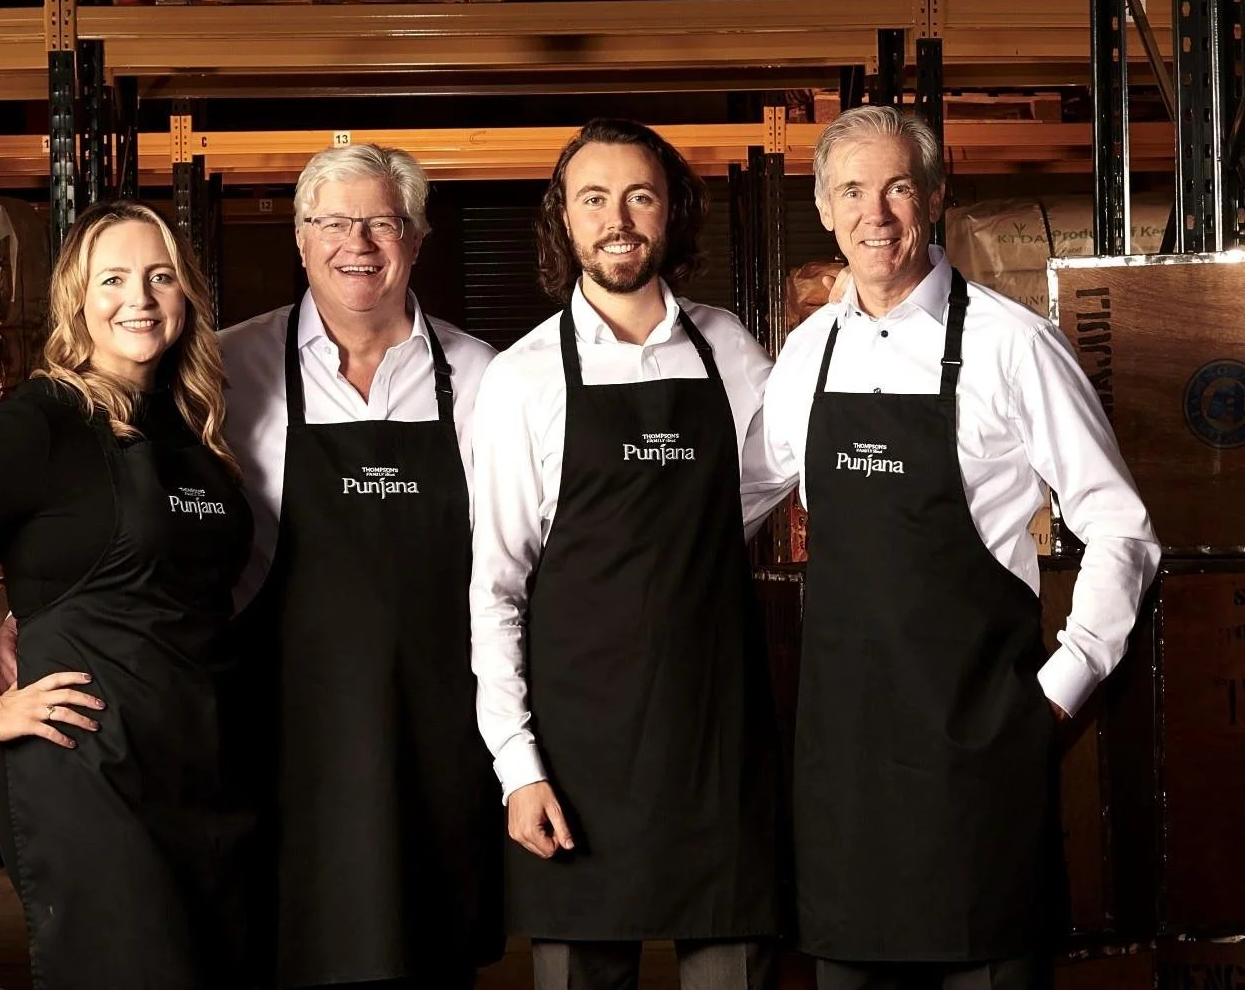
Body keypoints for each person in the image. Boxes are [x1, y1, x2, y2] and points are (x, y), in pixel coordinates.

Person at [761, 105, 1162, 990]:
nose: (877, 214)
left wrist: (1061, 691)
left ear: (935, 197)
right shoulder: (807, 354)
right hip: (845, 768)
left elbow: (1121, 525)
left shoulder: (1013, 345)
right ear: (826, 210)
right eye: (853, 192)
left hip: (978, 759)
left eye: (899, 188)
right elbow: (738, 497)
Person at [0, 200, 258, 989]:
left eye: (160, 276)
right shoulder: (34, 425)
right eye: (113, 279)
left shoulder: (192, 429)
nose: (138, 298)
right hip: (90, 778)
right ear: (76, 297)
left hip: (205, 768)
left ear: (185, 296)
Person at [470, 118, 783, 990]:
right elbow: (494, 589)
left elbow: (759, 491)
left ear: (671, 214)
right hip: (577, 761)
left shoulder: (733, 352)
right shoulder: (523, 377)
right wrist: (516, 767)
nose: (618, 218)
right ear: (564, 221)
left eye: (640, 196)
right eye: (594, 199)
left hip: (717, 747)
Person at [219, 143, 504, 989]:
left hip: (437, 731)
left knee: (434, 951)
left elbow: (512, 558)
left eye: (381, 222)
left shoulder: (482, 375)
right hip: (286, 731)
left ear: (416, 240)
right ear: (301, 240)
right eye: (333, 223)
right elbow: (150, 514)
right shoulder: (232, 369)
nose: (359, 243)